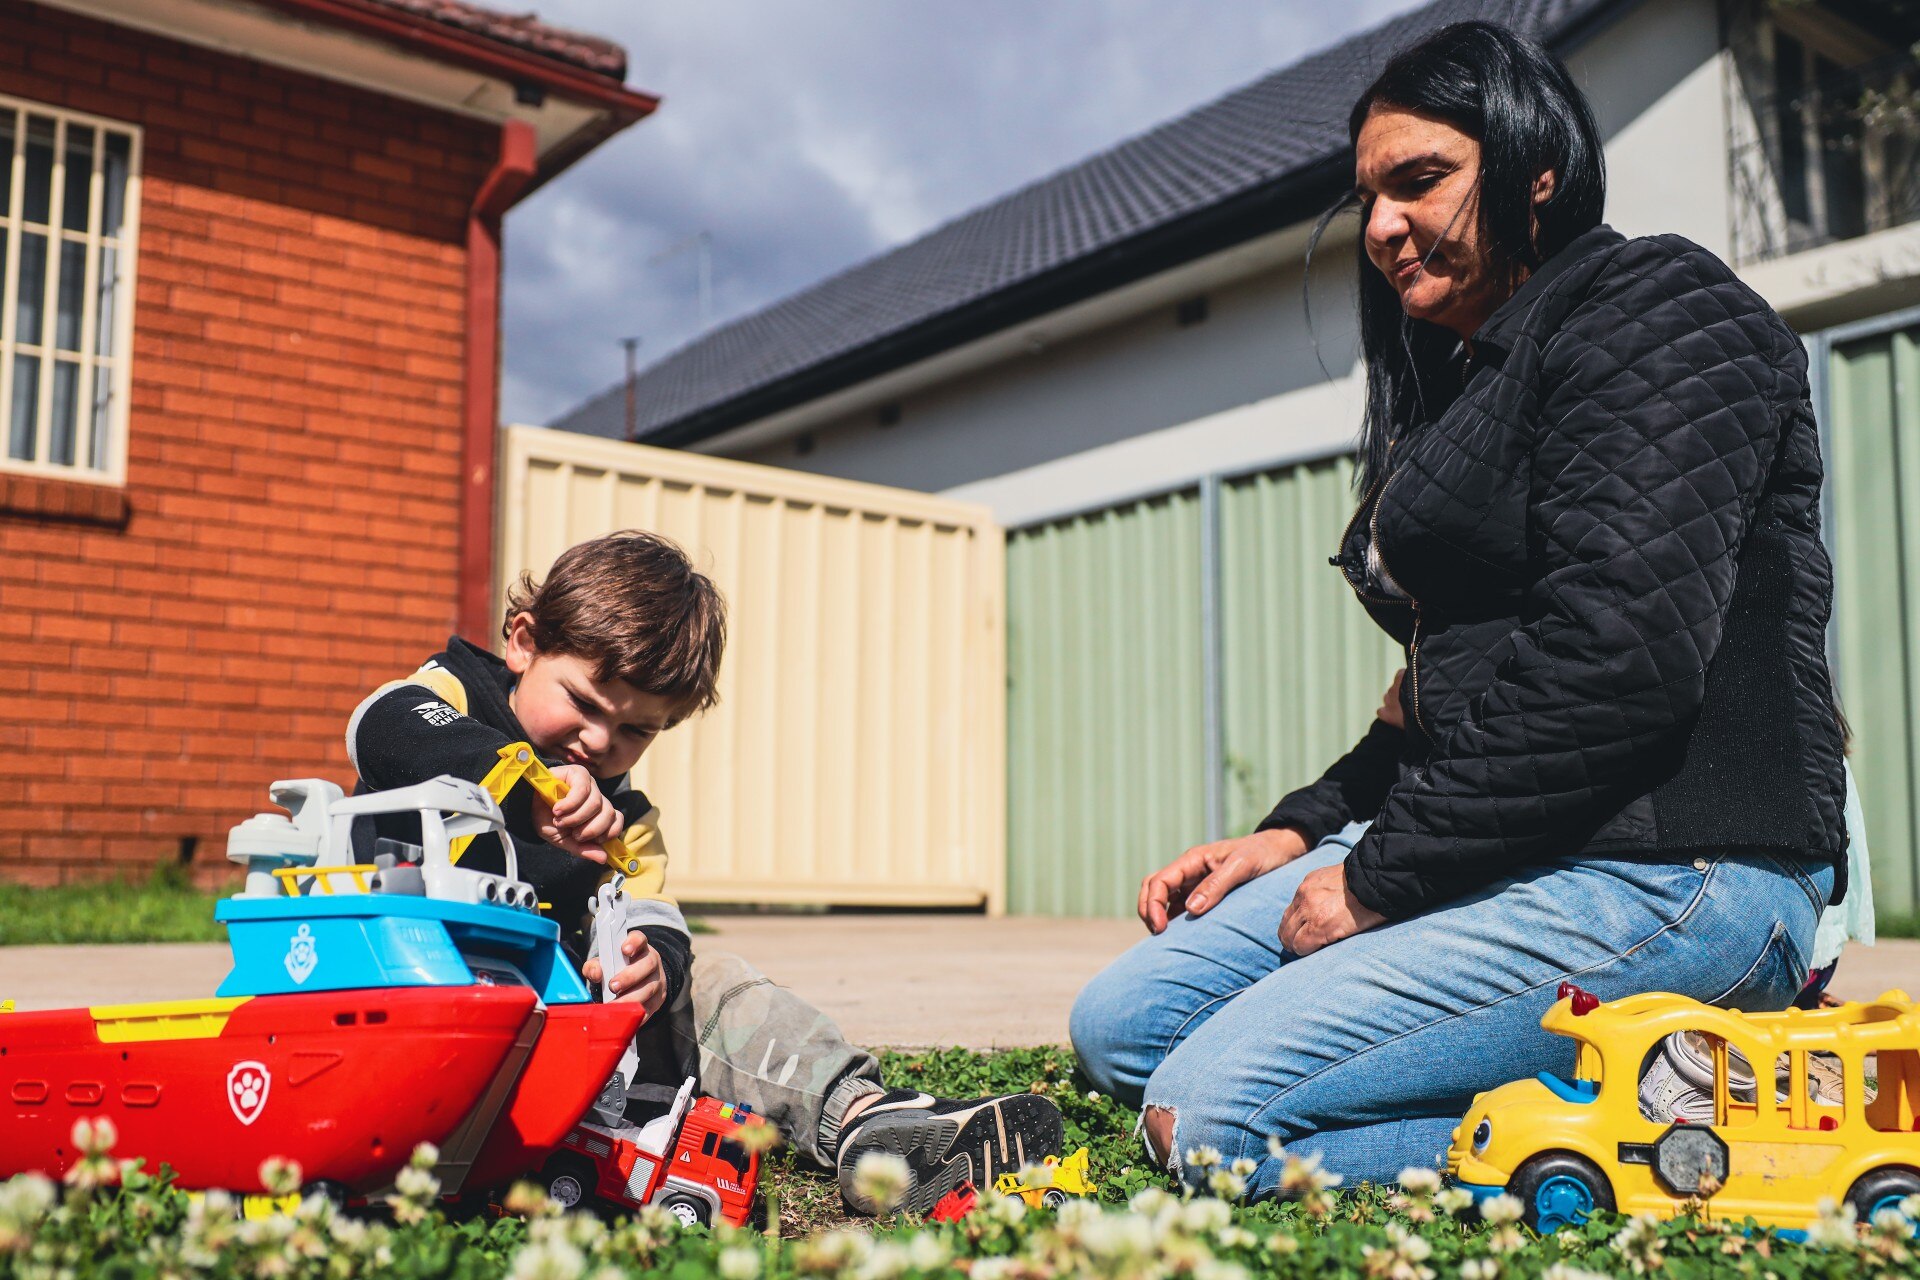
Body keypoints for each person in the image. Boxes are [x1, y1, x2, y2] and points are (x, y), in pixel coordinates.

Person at [1071, 21, 1848, 1195]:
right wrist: (1296, 829)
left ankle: (1676, 1132)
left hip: (1677, 864)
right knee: (1121, 1022)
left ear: (1538, 167)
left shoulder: (1659, 309)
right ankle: (1611, 1074)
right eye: (1369, 194)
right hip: (1521, 842)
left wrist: (1379, 879)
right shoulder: (1472, 380)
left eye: (1420, 179)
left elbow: (1620, 660)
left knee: (1210, 1116)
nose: (1381, 225)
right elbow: (1439, 703)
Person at [347, 530, 1060, 1214]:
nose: (599, 742)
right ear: (523, 642)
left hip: (552, 1039)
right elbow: (383, 724)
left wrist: (651, 963)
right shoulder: (456, 696)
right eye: (584, 704)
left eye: (636, 731)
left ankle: (868, 1122)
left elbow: (654, 914)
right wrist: (519, 785)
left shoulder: (627, 822)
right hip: (396, 997)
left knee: (711, 988)